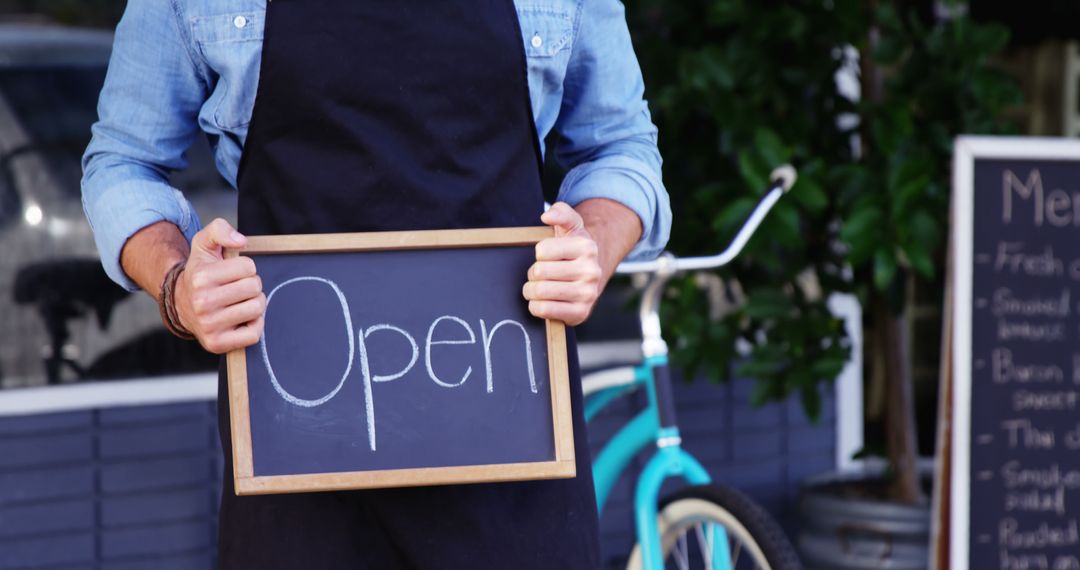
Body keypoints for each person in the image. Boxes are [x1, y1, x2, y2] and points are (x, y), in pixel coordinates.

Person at [82, 0, 671, 567]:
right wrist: (178, 284)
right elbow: (123, 158)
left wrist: (590, 243)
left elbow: (621, 148)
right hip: (297, 450)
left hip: (514, 445)